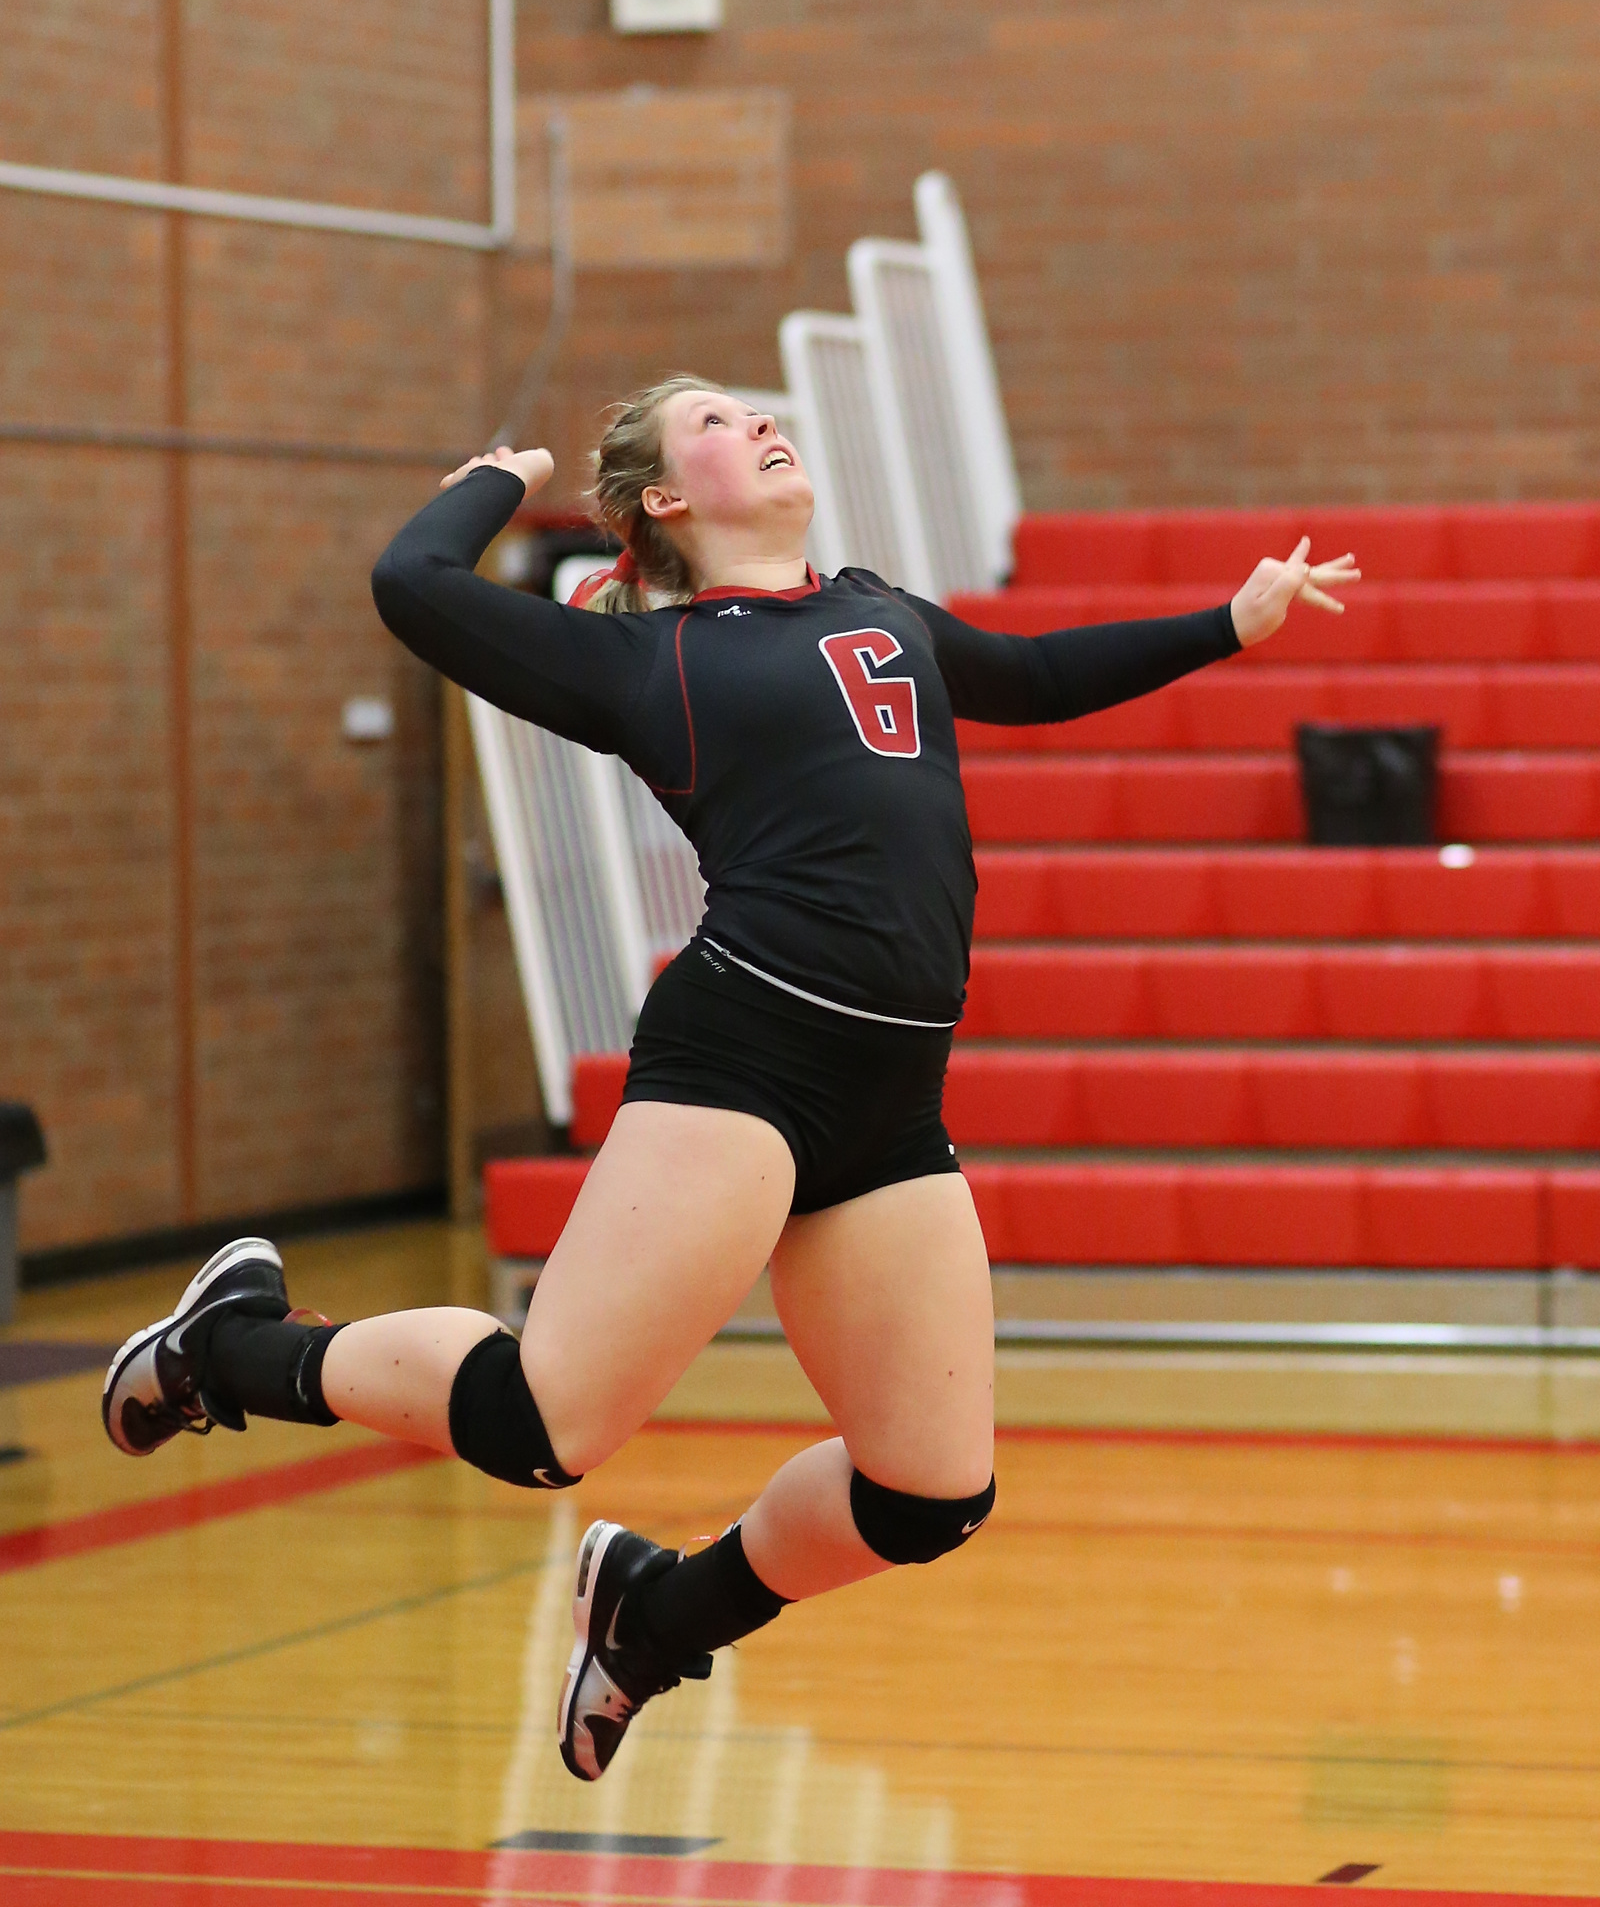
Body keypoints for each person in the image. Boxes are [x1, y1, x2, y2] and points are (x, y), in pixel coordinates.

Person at [103, 376, 1359, 1782]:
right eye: (711, 422)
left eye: (753, 410)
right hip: (746, 1054)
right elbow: (415, 585)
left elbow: (1039, 677)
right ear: (663, 500)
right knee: (543, 1427)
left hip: (890, 1092)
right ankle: (229, 1346)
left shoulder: (879, 610)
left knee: (928, 1493)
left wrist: (1227, 624)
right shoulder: (652, 663)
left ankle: (654, 1615)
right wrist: (501, 480)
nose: (757, 421)